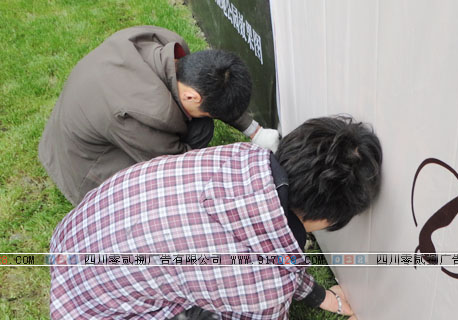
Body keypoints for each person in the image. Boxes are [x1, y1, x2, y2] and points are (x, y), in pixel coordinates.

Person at [48, 115, 382, 320]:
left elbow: (272, 241)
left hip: (74, 244)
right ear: (327, 219)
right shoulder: (261, 283)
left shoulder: (239, 157)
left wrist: (319, 296)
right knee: (213, 307)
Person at [38, 25, 279, 206]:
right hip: (83, 165)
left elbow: (216, 89)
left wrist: (255, 131)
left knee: (200, 124)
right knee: (199, 134)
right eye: (209, 111)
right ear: (192, 97)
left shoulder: (171, 52)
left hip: (83, 118)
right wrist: (243, 168)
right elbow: (176, 171)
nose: (211, 116)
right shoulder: (143, 115)